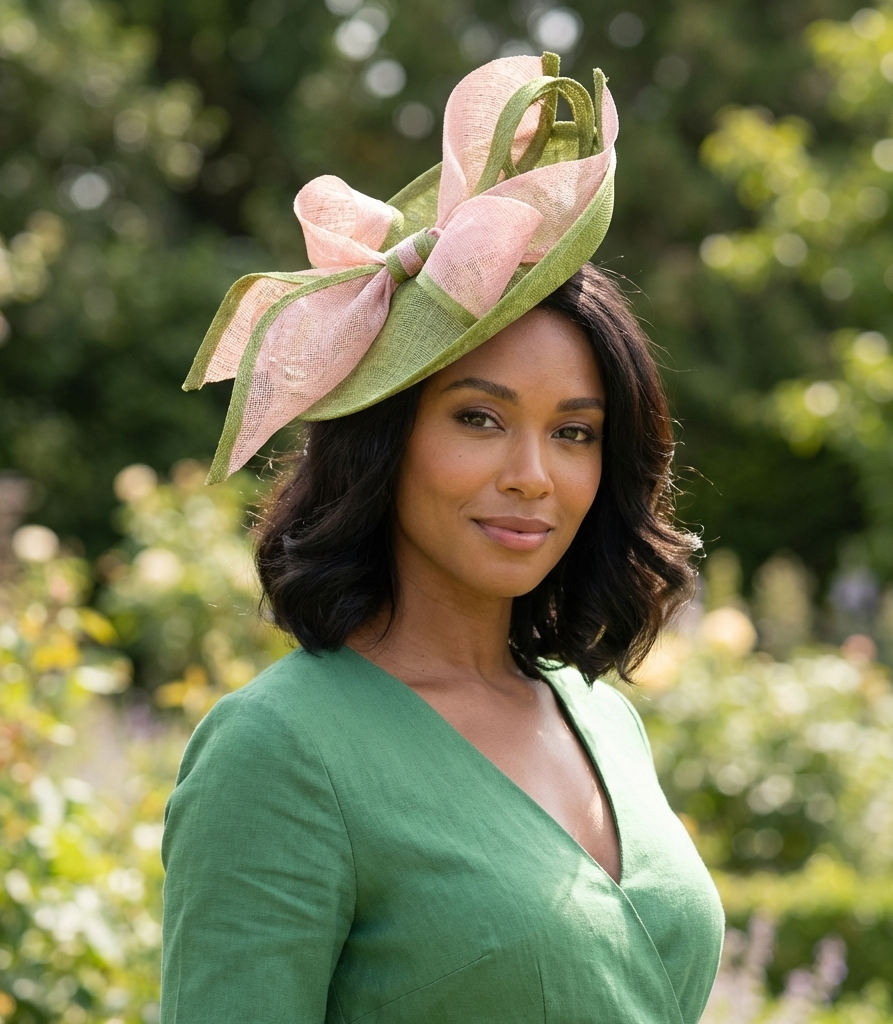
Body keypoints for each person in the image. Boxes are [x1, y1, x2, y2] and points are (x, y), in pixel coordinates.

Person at [161, 53, 724, 1024]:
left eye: (575, 432)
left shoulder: (599, 718)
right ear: (389, 441)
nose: (532, 474)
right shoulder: (280, 751)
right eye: (478, 417)